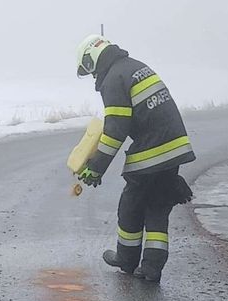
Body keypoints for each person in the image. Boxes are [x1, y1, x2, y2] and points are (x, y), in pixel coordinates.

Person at [73, 35, 195, 284]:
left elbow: (116, 130)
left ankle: (126, 259)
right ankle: (152, 267)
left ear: (92, 58)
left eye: (89, 68)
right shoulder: (135, 67)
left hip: (152, 148)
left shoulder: (113, 79)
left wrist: (95, 167)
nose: (93, 75)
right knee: (157, 206)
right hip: (174, 147)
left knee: (131, 205)